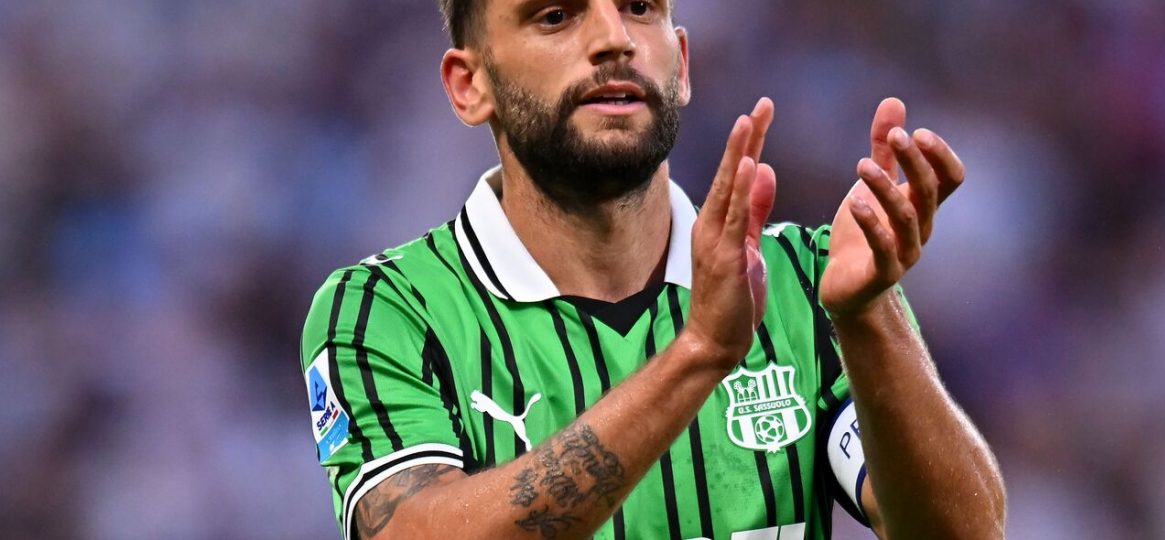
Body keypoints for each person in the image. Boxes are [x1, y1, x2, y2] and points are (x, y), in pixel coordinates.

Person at [299, 1, 1006, 538]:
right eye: (556, 15)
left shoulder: (804, 284)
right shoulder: (386, 311)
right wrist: (699, 353)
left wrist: (867, 315)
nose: (615, 38)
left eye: (640, 6)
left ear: (682, 62)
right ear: (469, 84)